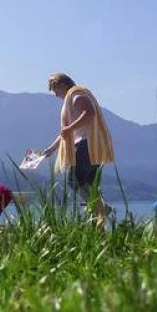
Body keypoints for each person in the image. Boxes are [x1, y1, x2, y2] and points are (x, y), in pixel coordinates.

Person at [37, 73, 114, 223]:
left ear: (63, 85)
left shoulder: (75, 94)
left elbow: (89, 112)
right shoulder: (74, 96)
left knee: (74, 180)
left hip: (86, 144)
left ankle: (101, 209)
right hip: (94, 145)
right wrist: (51, 149)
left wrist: (70, 128)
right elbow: (66, 132)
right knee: (89, 184)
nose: (56, 95)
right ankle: (99, 219)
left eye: (55, 90)